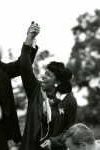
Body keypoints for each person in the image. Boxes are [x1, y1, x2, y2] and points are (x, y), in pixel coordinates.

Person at [19, 22, 77, 150]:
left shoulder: (69, 101)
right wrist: (29, 38)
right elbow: (24, 67)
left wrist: (54, 142)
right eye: (45, 73)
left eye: (49, 75)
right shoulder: (35, 90)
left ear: (58, 82)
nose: (43, 76)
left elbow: (70, 130)